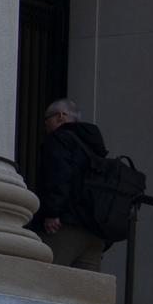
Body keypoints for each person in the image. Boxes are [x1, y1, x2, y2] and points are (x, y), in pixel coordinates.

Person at [28, 98, 111, 272]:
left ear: (60, 116)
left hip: (65, 227)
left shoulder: (59, 139)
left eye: (46, 119)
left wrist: (52, 212)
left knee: (47, 282)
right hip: (94, 233)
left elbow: (58, 174)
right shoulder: (95, 147)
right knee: (84, 294)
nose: (45, 125)